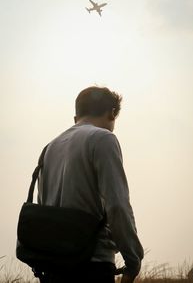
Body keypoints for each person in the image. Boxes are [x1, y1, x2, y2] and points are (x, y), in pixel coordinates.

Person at [37, 86, 144, 283]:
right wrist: (133, 259)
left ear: (75, 117)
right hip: (91, 265)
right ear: (112, 113)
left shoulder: (49, 148)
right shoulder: (103, 138)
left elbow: (42, 208)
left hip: (52, 267)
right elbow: (117, 205)